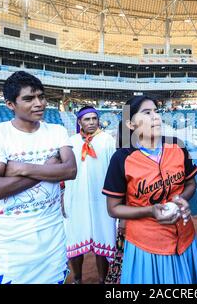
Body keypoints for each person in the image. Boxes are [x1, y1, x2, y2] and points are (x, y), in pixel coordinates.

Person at [0, 71, 77, 284]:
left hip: (53, 236)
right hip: (13, 242)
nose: (39, 103)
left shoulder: (57, 131)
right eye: (29, 99)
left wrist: (21, 168)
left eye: (41, 96)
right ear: (11, 104)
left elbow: (70, 171)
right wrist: (47, 169)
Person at [102, 95, 197, 284]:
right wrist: (150, 210)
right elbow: (113, 208)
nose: (155, 116)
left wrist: (182, 199)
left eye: (156, 112)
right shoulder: (121, 158)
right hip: (146, 244)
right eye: (147, 112)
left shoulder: (177, 145)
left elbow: (191, 183)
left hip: (185, 237)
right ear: (131, 124)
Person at [62, 106, 117, 284]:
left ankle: (102, 280)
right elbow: (63, 172)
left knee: (103, 237)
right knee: (75, 238)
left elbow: (115, 170)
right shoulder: (70, 142)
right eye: (87, 119)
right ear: (79, 122)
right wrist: (64, 196)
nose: (92, 122)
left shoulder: (108, 140)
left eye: (95, 118)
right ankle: (77, 279)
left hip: (102, 199)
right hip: (75, 198)